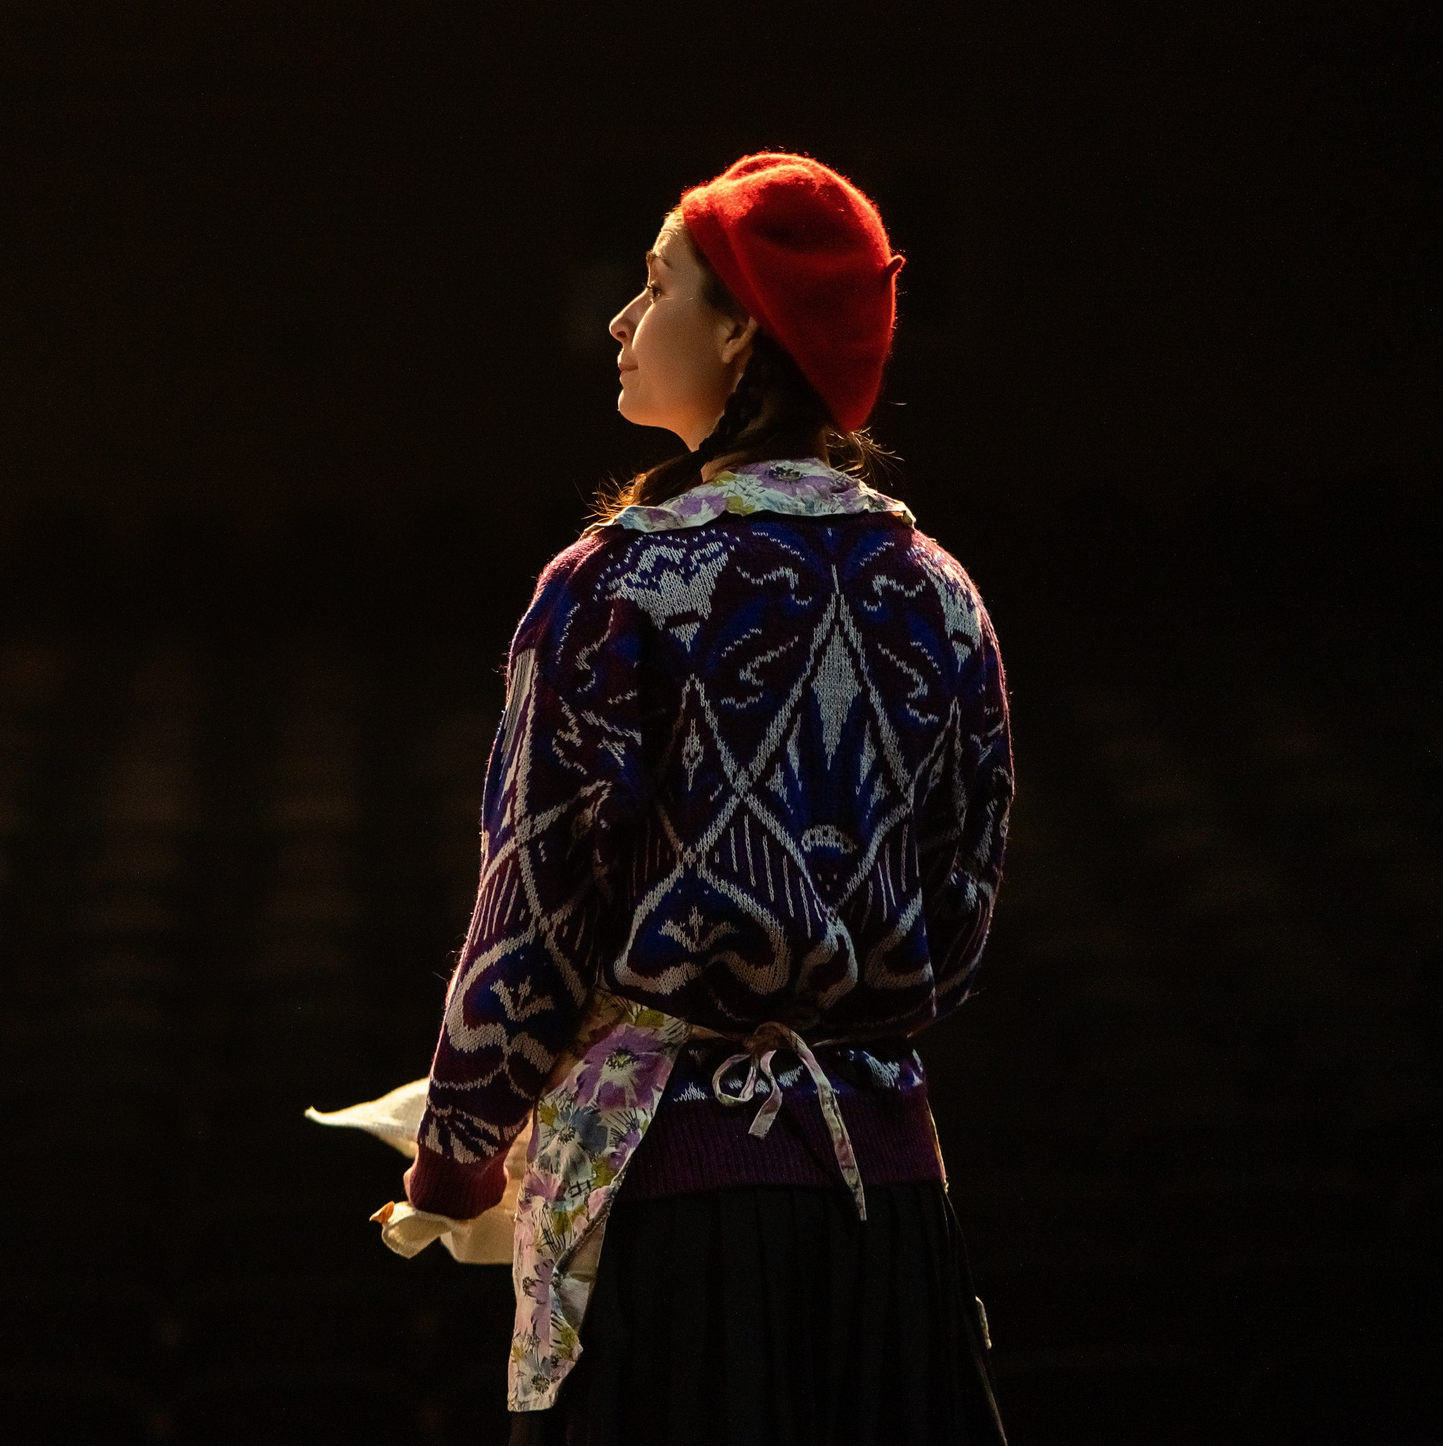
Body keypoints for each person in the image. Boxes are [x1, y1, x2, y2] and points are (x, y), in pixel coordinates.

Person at [405, 153, 1013, 1444]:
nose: (621, 320)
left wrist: (455, 1155)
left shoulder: (616, 582)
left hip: (672, 1211)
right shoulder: (941, 589)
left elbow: (536, 910)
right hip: (887, 1201)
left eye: (655, 284)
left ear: (743, 328)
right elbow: (962, 915)